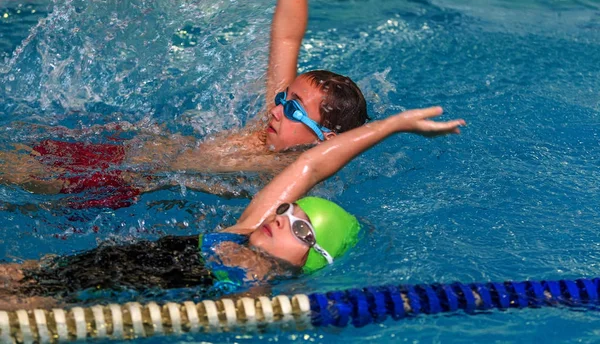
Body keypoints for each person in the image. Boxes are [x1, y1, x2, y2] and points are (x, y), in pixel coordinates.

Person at [0, 0, 368, 209]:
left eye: (293, 109)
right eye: (282, 99)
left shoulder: (292, 168)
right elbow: (286, 35)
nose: (276, 109)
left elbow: (333, 156)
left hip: (123, 183)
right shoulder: (265, 127)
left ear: (326, 138)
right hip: (122, 151)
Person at [0, 106, 466, 310]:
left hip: (73, 303)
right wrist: (393, 126)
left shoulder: (253, 290)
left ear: (314, 259)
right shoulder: (244, 228)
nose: (282, 218)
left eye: (301, 230)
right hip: (57, 269)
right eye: (289, 211)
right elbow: (310, 165)